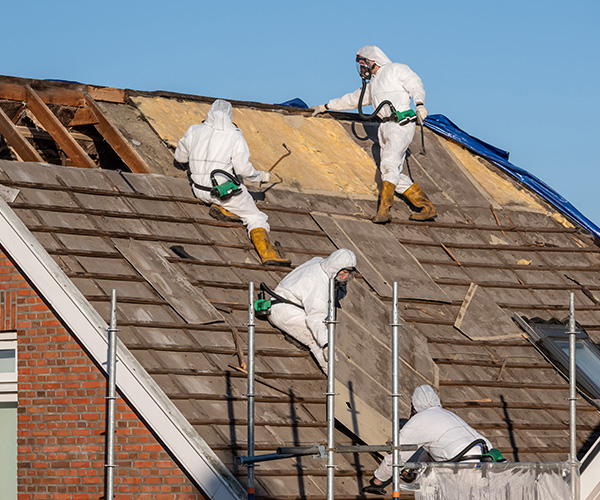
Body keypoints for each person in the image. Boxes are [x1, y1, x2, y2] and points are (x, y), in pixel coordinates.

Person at [311, 45, 437, 224]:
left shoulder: (396, 69)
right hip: (384, 126)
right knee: (391, 172)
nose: (362, 67)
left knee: (388, 165)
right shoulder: (373, 85)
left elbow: (415, 83)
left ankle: (384, 211)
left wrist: (419, 104)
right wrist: (326, 106)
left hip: (401, 123)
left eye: (363, 62)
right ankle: (426, 207)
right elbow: (353, 99)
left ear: (373, 60)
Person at [175, 99, 290, 266]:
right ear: (230, 115)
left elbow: (179, 158)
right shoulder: (234, 135)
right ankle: (268, 254)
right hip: (222, 192)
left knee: (234, 195)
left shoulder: (194, 130)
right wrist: (261, 176)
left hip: (199, 189)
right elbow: (243, 170)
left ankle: (224, 209)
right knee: (255, 216)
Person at [362, 384, 494, 496]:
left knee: (431, 489)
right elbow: (431, 450)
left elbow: (397, 453)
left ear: (415, 406)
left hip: (463, 468)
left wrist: (378, 481)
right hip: (489, 462)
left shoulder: (420, 419)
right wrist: (415, 471)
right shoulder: (446, 414)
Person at [268, 248, 357, 372]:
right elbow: (316, 317)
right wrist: (326, 344)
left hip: (283, 302)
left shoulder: (319, 263)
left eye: (348, 273)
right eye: (344, 272)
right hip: (285, 312)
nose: (345, 277)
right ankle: (334, 377)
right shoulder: (318, 283)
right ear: (335, 268)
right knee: (317, 341)